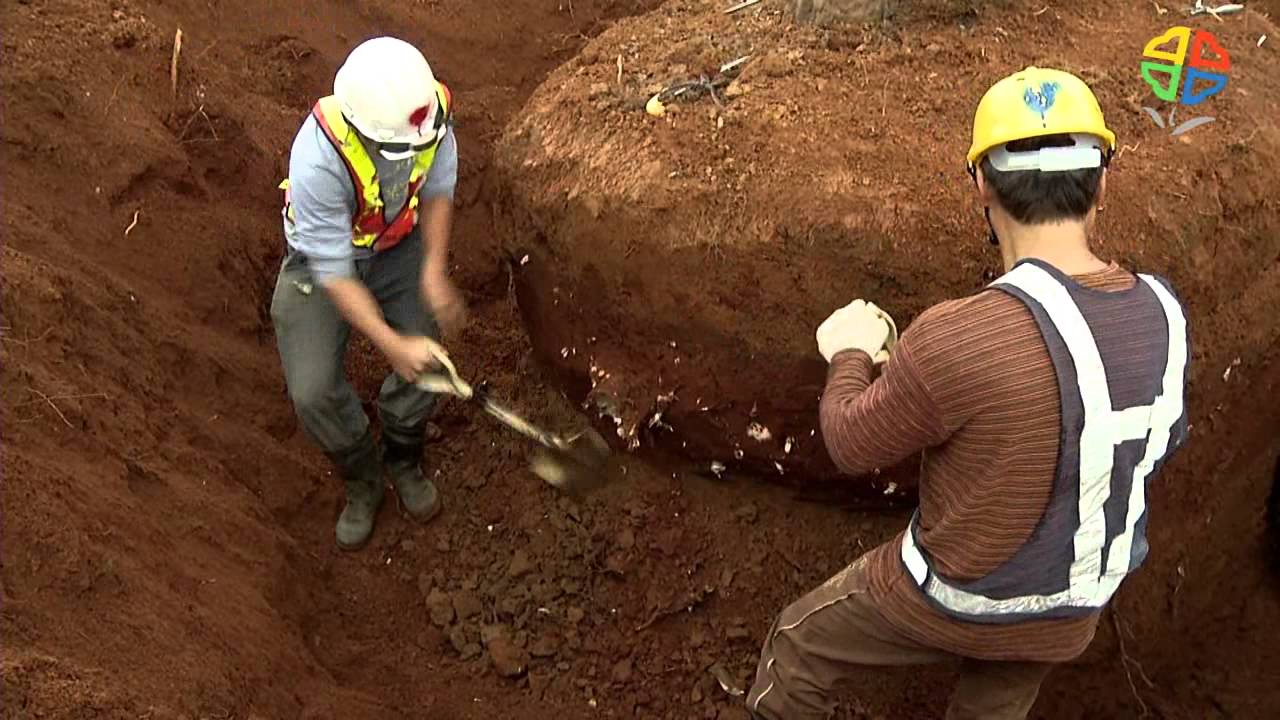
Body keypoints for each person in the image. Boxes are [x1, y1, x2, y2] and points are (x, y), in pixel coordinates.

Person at [746, 66, 1191, 719]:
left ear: (983, 181)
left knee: (799, 643)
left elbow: (849, 441)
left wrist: (850, 350)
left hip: (952, 600)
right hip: (1071, 613)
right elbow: (1159, 438)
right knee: (1000, 693)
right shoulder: (1164, 313)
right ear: (1102, 183)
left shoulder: (957, 336)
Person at [270, 36, 466, 551]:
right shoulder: (318, 160)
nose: (415, 155)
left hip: (397, 247)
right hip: (323, 263)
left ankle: (403, 452)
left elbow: (440, 190)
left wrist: (433, 271)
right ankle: (362, 476)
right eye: (401, 151)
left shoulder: (427, 117)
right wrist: (389, 343)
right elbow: (335, 274)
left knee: (429, 351)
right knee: (311, 388)